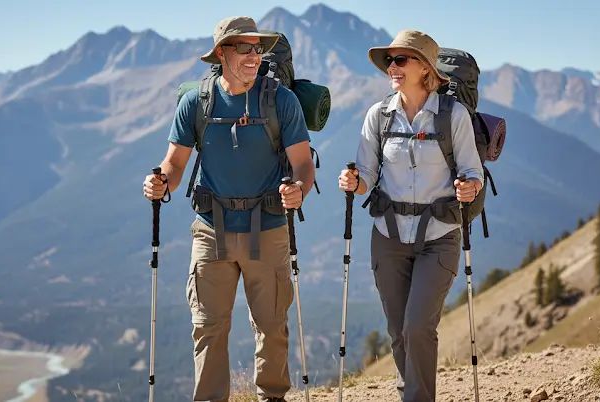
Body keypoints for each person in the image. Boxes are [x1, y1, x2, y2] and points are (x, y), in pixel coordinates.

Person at [142, 16, 315, 402]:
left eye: (259, 49)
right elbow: (174, 164)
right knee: (208, 326)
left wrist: (299, 190)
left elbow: (303, 164)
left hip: (268, 226)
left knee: (271, 324)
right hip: (211, 228)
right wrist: (159, 182)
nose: (255, 56)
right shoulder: (196, 102)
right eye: (245, 48)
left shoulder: (280, 101)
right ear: (222, 53)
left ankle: (271, 397)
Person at [337, 29, 483, 401]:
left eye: (401, 59)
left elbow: (472, 170)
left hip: (439, 236)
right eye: (390, 61)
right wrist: (353, 182)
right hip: (387, 237)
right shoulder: (379, 115)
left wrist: (469, 187)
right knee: (398, 330)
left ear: (425, 68)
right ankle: (412, 392)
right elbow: (367, 175)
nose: (393, 67)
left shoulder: (454, 116)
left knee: (418, 326)